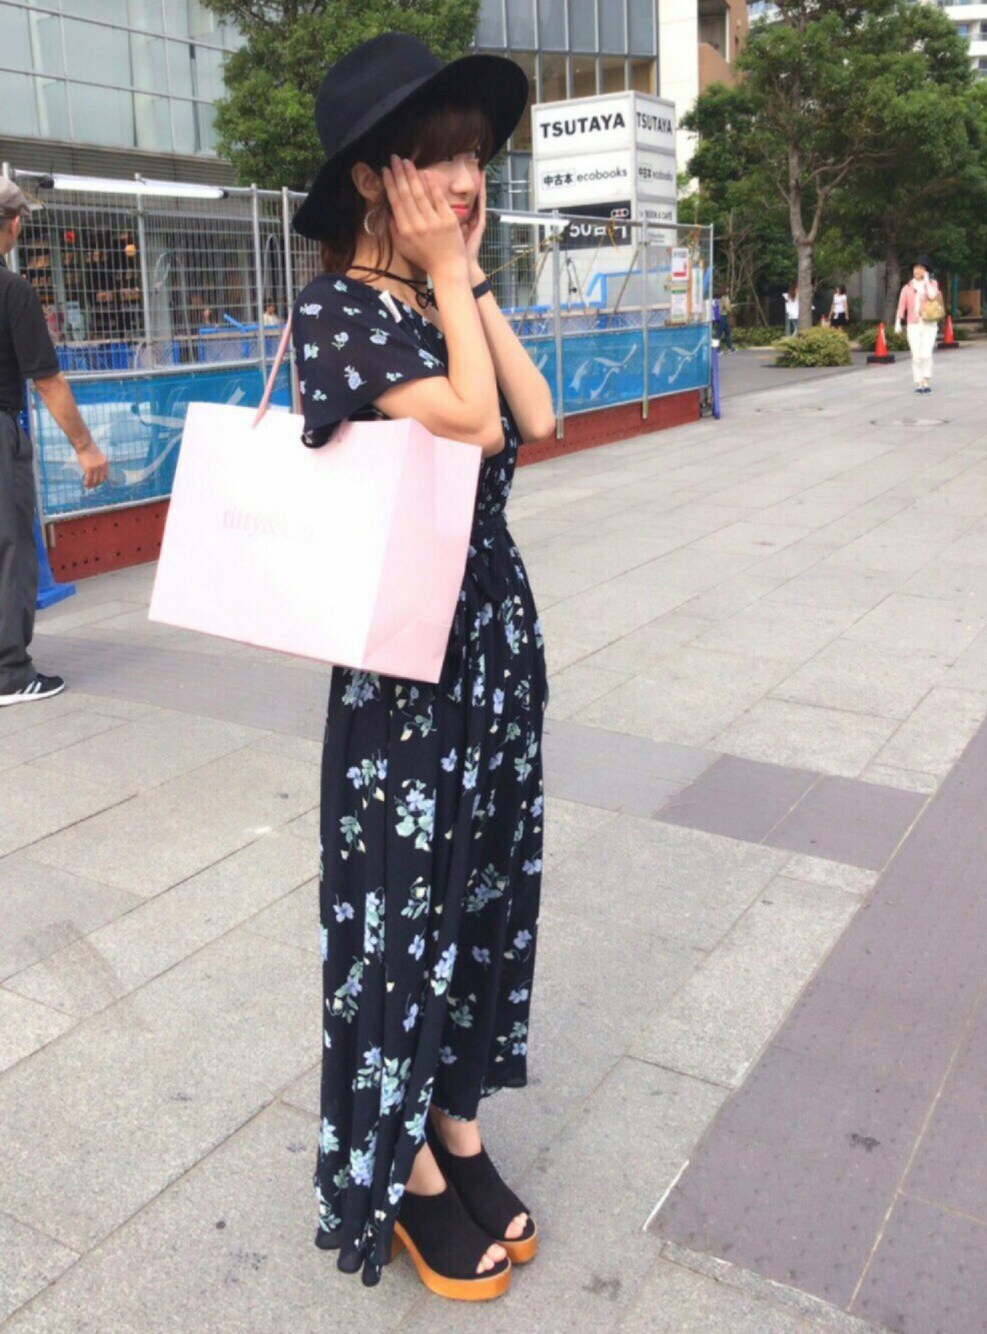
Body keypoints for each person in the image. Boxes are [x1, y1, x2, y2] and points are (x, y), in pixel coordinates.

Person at [290, 33, 554, 1301]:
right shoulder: (336, 309)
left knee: (482, 896)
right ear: (370, 179)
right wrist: (449, 274)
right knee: (402, 917)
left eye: (475, 156)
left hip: (493, 646)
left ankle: (455, 1123)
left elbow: (539, 413)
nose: (465, 179)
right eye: (438, 158)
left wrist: (467, 279)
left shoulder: (437, 297)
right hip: (407, 669)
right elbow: (475, 422)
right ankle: (397, 1170)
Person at [0, 179, 108, 707]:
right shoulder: (11, 291)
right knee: (9, 549)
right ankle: (9, 673)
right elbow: (47, 380)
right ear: (13, 224)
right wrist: (85, 445)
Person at [895, 255, 941, 394]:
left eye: (920, 268)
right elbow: (901, 306)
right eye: (915, 267)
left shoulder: (932, 284)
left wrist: (926, 281)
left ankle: (926, 380)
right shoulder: (907, 287)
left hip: (929, 324)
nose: (917, 270)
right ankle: (919, 382)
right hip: (913, 325)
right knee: (916, 355)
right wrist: (898, 322)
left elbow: (932, 296)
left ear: (926, 270)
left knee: (926, 354)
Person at [713, 287, 735, 352]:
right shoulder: (724, 298)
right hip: (722, 317)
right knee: (719, 334)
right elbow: (727, 307)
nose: (728, 290)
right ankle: (716, 349)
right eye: (727, 289)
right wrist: (731, 307)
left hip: (723, 317)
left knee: (727, 332)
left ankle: (730, 348)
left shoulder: (722, 298)